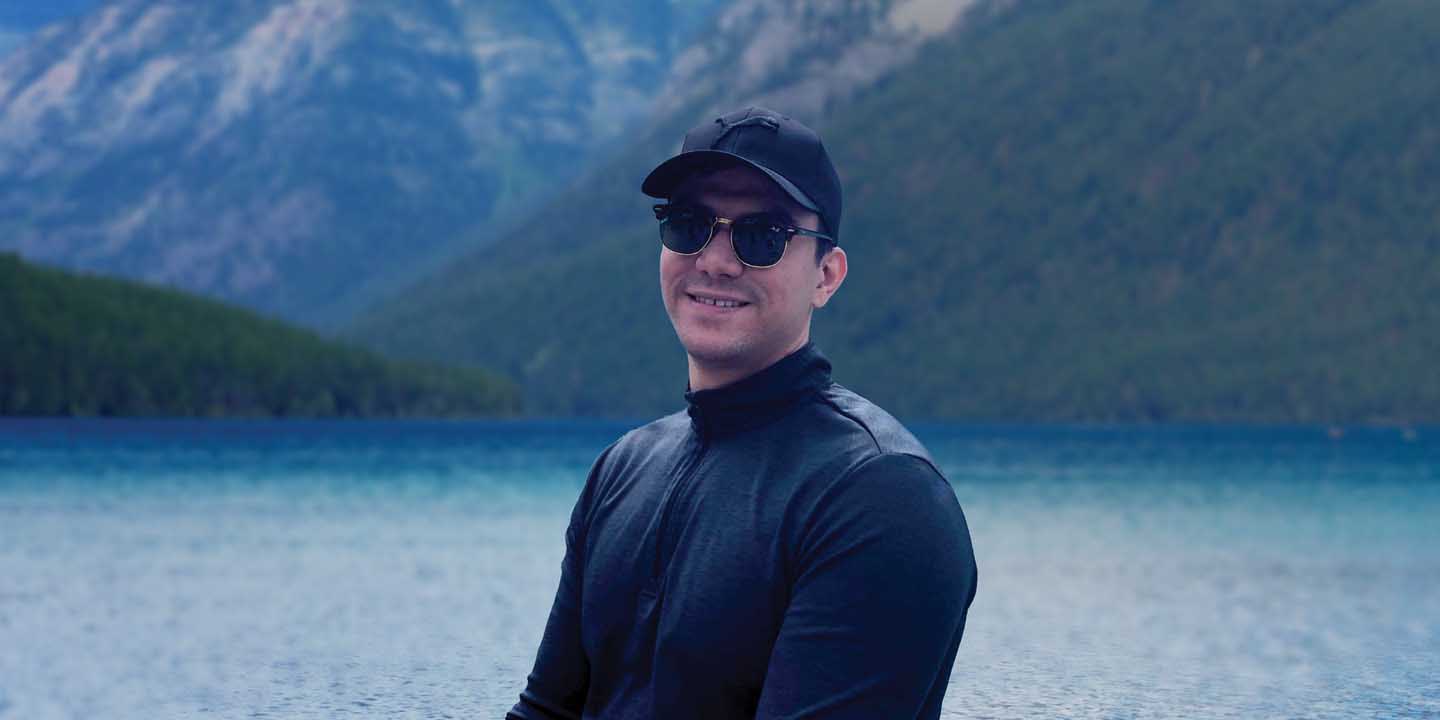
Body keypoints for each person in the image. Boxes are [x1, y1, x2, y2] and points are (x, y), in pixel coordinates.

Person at [508, 106, 978, 720]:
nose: (715, 260)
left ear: (826, 276)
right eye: (689, 225)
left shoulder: (881, 497)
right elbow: (544, 711)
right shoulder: (622, 470)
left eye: (762, 235)